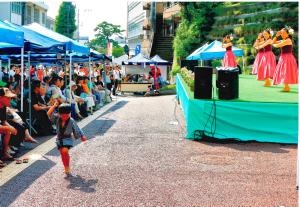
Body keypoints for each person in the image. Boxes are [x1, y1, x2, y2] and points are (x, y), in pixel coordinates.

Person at [55, 104, 87, 175]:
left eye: (67, 115)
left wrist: (82, 136)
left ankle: (67, 167)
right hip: (59, 138)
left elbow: (77, 128)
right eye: (63, 115)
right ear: (59, 114)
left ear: (69, 113)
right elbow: (48, 114)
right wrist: (54, 106)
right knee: (63, 154)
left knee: (64, 151)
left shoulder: (71, 120)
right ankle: (66, 166)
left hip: (67, 138)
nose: (65, 117)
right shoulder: (57, 118)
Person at [272, 26, 298, 92]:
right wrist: (277, 36)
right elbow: (273, 42)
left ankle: (287, 87)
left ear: (287, 34)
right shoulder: (284, 40)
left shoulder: (288, 40)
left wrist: (273, 44)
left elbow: (276, 45)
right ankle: (286, 87)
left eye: (283, 33)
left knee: (286, 71)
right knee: (283, 71)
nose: (282, 34)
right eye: (282, 33)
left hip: (287, 58)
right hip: (283, 57)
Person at [0, 88, 17, 160]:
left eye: (10, 98)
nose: (10, 100)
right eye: (8, 98)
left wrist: (10, 128)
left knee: (8, 131)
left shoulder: (3, 106)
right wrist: (8, 128)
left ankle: (5, 153)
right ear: (0, 97)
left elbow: (3, 121)